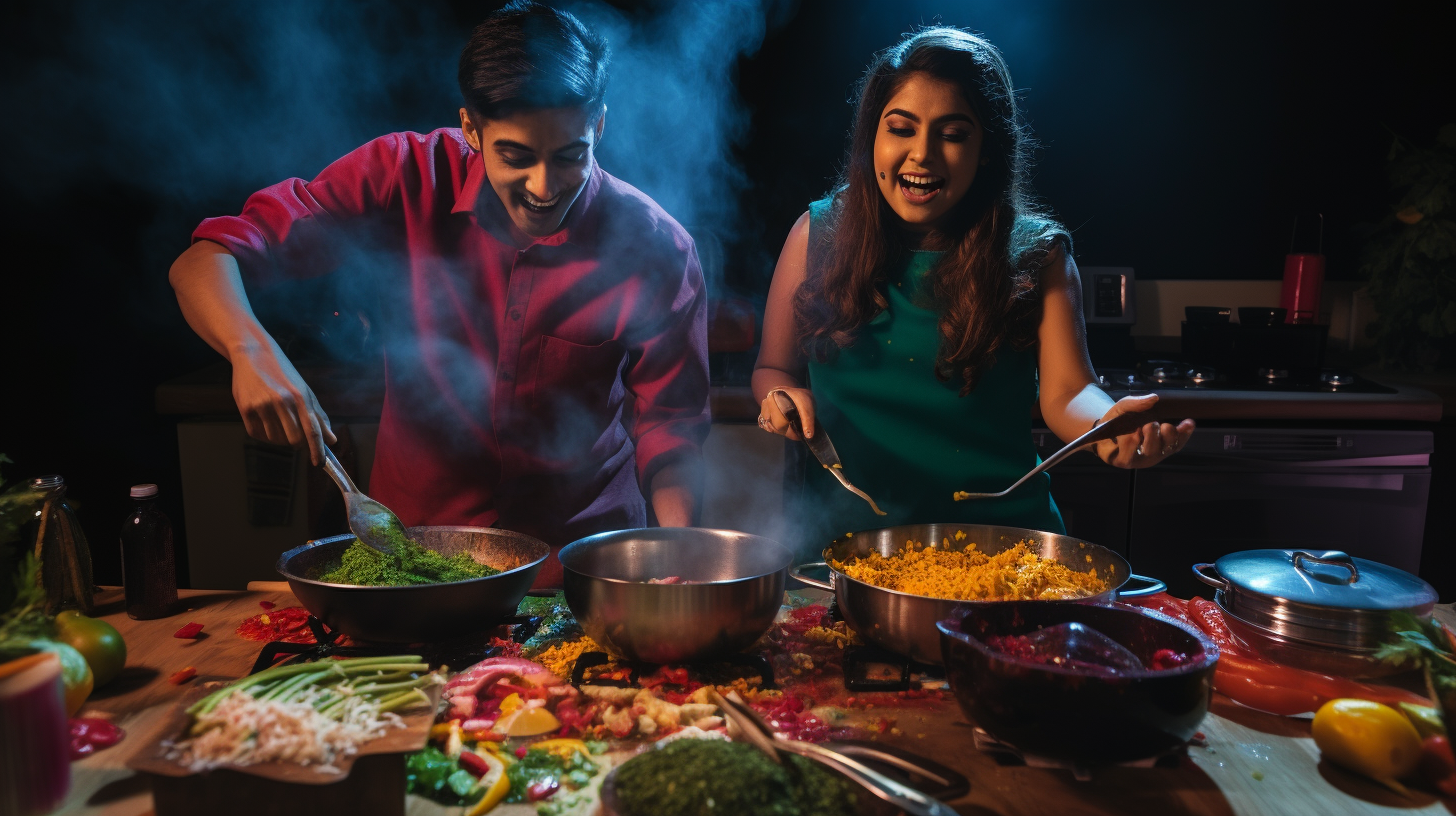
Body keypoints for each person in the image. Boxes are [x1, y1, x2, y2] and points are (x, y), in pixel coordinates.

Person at [170, 1, 709, 585]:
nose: (544, 187)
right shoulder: (400, 174)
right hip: (414, 563)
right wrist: (251, 350)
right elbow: (205, 260)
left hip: (581, 568)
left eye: (570, 156)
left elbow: (671, 426)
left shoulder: (657, 248)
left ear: (598, 124)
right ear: (472, 128)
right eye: (516, 156)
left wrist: (677, 547)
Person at [753, 27, 1194, 555]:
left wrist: (1106, 425)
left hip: (1005, 549)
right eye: (901, 129)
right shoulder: (815, 236)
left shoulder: (1038, 254)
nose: (922, 155)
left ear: (987, 149)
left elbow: (1069, 393)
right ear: (874, 134)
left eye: (953, 134)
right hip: (848, 553)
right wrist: (779, 398)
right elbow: (773, 370)